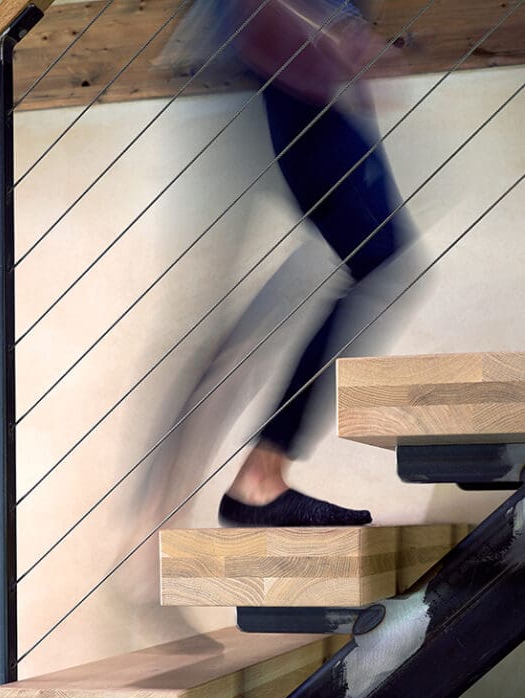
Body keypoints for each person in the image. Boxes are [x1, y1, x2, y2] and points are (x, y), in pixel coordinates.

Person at [152, 0, 416, 529]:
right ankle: (250, 479)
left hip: (306, 84)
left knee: (374, 259)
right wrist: (338, 28)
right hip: (293, 84)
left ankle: (250, 476)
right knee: (376, 257)